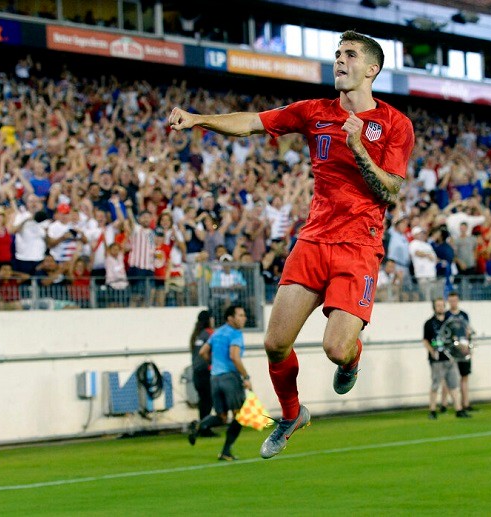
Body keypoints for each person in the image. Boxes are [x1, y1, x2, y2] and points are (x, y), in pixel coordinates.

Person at [169, 30, 415, 459]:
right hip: (314, 239)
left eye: (350, 54)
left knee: (335, 349)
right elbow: (252, 122)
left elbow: (391, 189)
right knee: (274, 343)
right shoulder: (313, 111)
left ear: (372, 69)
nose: (340, 60)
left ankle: (352, 359)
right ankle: (292, 412)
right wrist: (199, 120)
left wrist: (357, 147)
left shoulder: (395, 124)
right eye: (338, 53)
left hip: (360, 245)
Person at [187, 305, 251, 461]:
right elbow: (235, 357)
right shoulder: (235, 334)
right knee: (239, 416)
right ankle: (226, 451)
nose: (244, 318)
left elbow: (203, 352)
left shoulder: (217, 333)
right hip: (230, 378)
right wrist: (246, 377)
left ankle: (200, 425)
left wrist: (214, 364)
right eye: (240, 315)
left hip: (214, 379)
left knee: (221, 417)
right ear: (230, 318)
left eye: (244, 315)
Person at [423, 297, 470, 420]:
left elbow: (457, 338)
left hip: (450, 358)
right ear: (434, 307)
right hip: (437, 360)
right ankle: (432, 410)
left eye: (441, 305)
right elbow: (425, 340)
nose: (440, 307)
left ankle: (458, 409)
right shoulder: (429, 323)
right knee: (435, 385)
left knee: (453, 385)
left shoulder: (451, 322)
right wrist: (432, 351)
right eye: (438, 305)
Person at [445, 291, 475, 411]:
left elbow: (468, 331)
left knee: (465, 376)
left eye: (455, 300)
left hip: (464, 350)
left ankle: (465, 403)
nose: (453, 303)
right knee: (449, 378)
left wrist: (469, 347)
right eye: (451, 300)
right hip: (452, 351)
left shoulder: (464, 315)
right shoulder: (446, 315)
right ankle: (446, 404)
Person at [190, 309, 215, 434]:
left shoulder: (196, 335)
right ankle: (204, 427)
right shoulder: (209, 333)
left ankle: (202, 426)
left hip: (196, 373)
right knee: (208, 401)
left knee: (203, 401)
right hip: (206, 372)